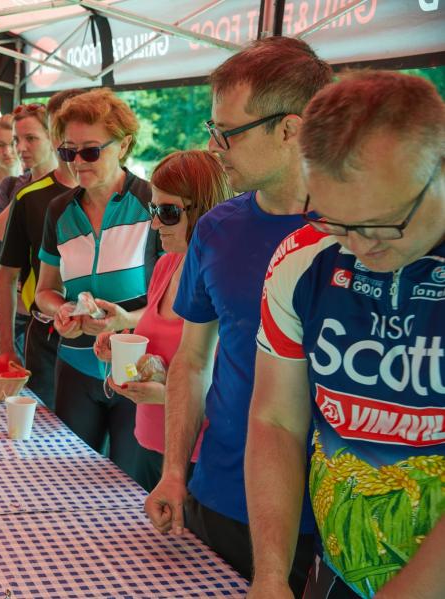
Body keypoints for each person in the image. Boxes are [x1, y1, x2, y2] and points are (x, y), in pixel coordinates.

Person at [143, 36, 332, 593]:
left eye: (228, 132)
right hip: (219, 494)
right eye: (213, 128)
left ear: (290, 129)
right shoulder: (216, 228)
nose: (214, 145)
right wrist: (174, 470)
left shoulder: (361, 235)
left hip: (330, 516)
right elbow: (192, 359)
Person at [247, 71, 444, 599]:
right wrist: (271, 574)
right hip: (336, 570)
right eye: (336, 221)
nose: (358, 247)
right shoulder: (304, 257)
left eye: (382, 223)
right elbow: (276, 420)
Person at [34, 88, 160, 479]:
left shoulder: (152, 203)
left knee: (131, 486)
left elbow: (175, 303)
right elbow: (44, 291)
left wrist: (125, 320)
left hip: (136, 367)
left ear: (123, 145)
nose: (77, 162)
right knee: (66, 481)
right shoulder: (59, 210)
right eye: (68, 152)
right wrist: (62, 309)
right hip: (74, 366)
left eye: (90, 151)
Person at [92, 150, 232, 491]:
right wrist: (124, 343)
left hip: (200, 455)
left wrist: (167, 396)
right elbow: (164, 345)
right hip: (149, 440)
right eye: (153, 211)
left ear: (205, 210)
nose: (155, 224)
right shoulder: (168, 265)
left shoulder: (227, 281)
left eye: (168, 212)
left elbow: (237, 389)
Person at [0, 91, 82, 409]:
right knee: (43, 427)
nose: (21, 148)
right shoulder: (30, 197)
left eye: (30, 138)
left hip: (105, 336)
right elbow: (5, 274)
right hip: (45, 334)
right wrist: (6, 346)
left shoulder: (125, 193)